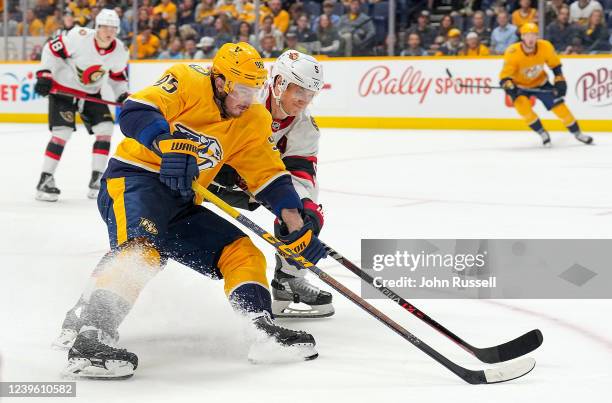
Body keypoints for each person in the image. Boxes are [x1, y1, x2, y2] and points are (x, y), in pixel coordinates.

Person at [56, 43, 326, 379]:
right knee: (143, 253)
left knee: (242, 252)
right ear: (221, 80)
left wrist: (296, 223)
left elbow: (269, 175)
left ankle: (261, 330)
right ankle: (91, 337)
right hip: (135, 180)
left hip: (185, 200)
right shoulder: (186, 79)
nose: (247, 99)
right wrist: (164, 144)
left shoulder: (253, 117)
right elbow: (135, 110)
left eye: (254, 90)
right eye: (241, 89)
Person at [207, 50, 333, 318]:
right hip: (206, 177)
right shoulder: (244, 100)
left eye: (310, 94)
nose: (304, 100)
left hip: (254, 186)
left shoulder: (304, 126)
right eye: (298, 90)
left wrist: (306, 211)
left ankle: (288, 279)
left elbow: (301, 175)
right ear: (278, 83)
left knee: (302, 214)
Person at [34, 9, 129, 202]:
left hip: (90, 93)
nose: (108, 32)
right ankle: (45, 179)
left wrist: (122, 94)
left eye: (113, 28)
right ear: (97, 27)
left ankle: (97, 179)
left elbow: (117, 78)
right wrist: (44, 73)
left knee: (106, 128)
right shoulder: (79, 36)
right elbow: (51, 49)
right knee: (62, 132)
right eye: (104, 27)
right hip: (64, 90)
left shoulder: (120, 50)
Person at [500, 23, 593, 147]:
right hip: (521, 87)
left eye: (534, 35)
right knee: (524, 110)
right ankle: (542, 132)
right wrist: (509, 86)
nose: (531, 38)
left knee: (560, 108)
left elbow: (555, 65)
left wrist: (559, 79)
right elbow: (505, 77)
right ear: (522, 37)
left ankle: (578, 133)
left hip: (541, 83)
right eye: (528, 35)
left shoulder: (545, 46)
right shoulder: (512, 52)